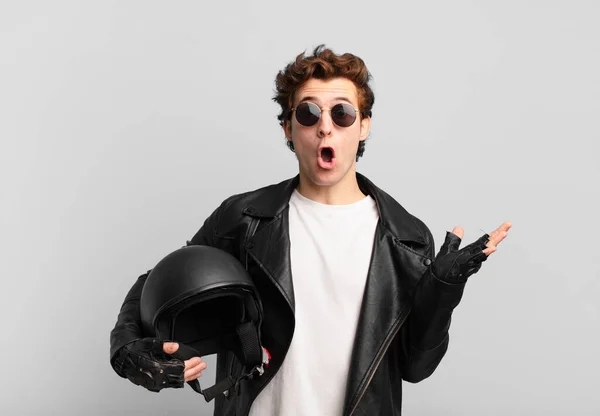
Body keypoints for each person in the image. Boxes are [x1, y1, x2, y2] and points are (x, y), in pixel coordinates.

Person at [110, 45, 512, 416]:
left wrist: (442, 291)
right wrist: (128, 347)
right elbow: (157, 282)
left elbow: (415, 367)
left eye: (342, 114)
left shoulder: (406, 239)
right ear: (289, 129)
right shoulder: (244, 218)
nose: (325, 127)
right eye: (307, 114)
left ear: (364, 126)